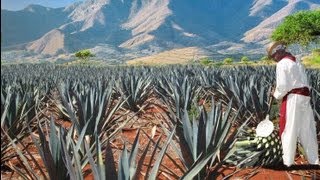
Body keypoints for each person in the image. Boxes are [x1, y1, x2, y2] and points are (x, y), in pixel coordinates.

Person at [266, 41, 319, 167]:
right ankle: (314, 160)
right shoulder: (297, 61)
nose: (274, 59)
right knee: (308, 129)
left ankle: (287, 162)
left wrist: (275, 95)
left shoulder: (282, 64)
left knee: (289, 129)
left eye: (273, 56)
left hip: (293, 99)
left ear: (277, 52)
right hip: (305, 98)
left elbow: (283, 86)